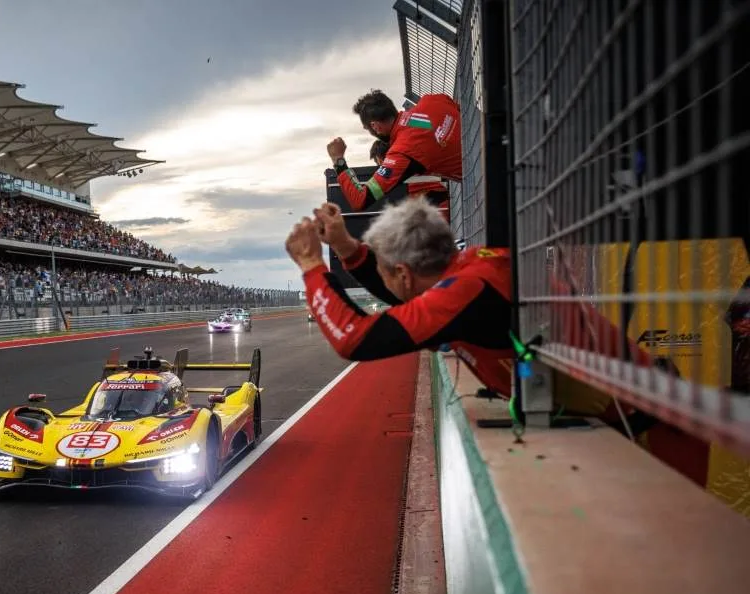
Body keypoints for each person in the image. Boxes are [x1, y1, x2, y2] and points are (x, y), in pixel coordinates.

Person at [285, 197, 711, 486]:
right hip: (635, 417)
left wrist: (310, 266)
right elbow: (404, 305)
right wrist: (344, 246)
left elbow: (355, 340)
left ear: (404, 273)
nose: (384, 279)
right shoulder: (470, 274)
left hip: (653, 436)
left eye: (383, 270)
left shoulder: (461, 296)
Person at [327, 90, 461, 214]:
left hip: (478, 173)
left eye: (367, 128)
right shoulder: (432, 100)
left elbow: (359, 200)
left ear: (375, 126)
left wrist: (338, 160)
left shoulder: (402, 152)